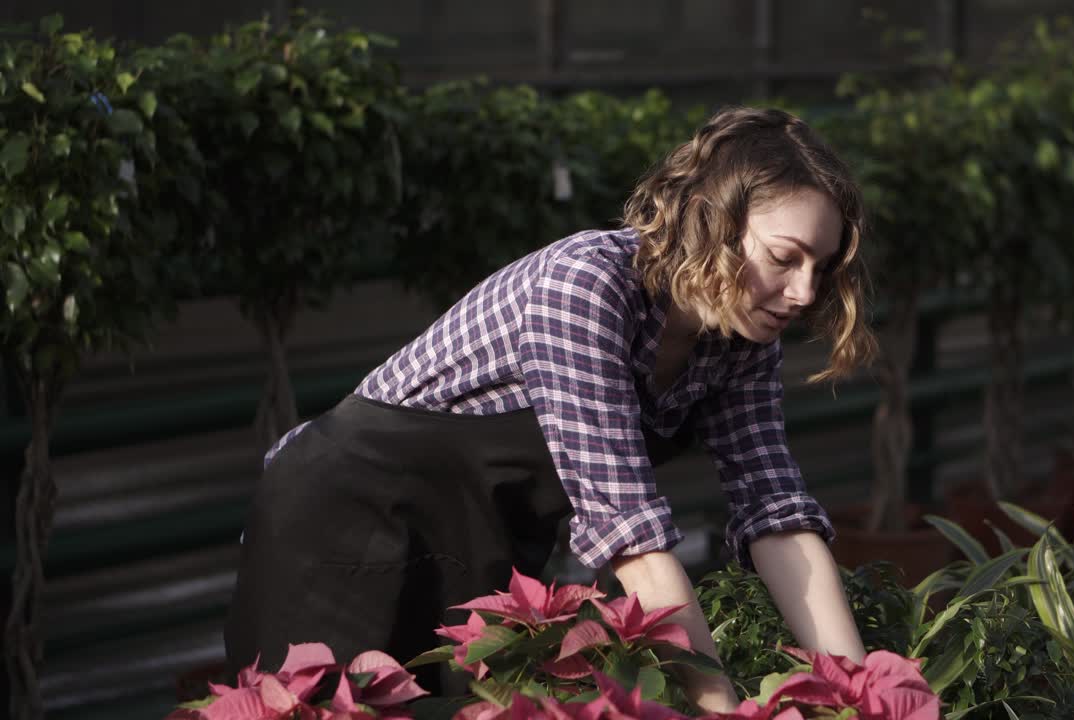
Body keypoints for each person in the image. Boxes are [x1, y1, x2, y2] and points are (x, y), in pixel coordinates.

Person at [224, 105, 876, 712]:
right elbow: (633, 543)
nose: (802, 292)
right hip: (340, 520)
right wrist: (721, 709)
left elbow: (776, 515)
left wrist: (857, 694)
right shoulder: (584, 286)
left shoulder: (739, 337)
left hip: (476, 539)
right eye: (784, 258)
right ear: (709, 220)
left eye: (820, 267)